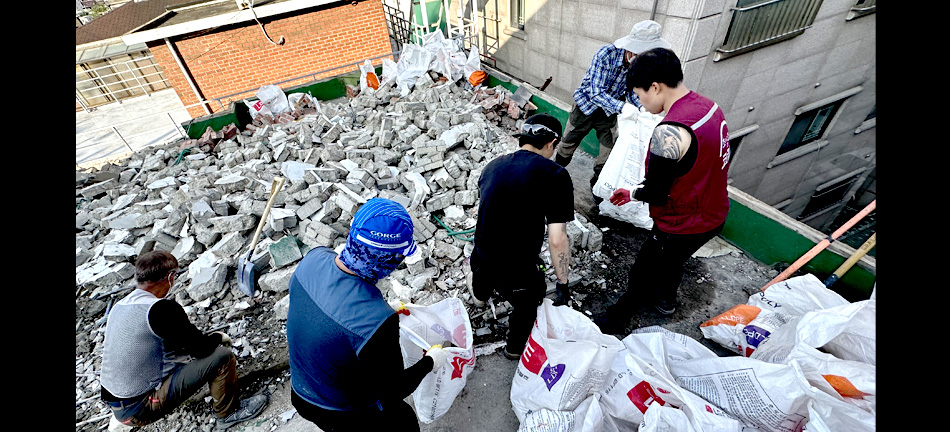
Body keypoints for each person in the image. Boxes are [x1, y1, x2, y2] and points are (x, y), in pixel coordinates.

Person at [596, 47, 731, 334]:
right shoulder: (709, 107)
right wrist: (634, 192)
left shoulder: (669, 132)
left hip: (682, 222)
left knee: (644, 271)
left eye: (640, 95)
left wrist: (634, 193)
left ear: (655, 87)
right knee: (674, 260)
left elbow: (657, 192)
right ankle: (665, 300)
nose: (641, 104)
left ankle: (616, 320)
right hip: (714, 212)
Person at [286, 198, 448, 432]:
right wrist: (430, 362)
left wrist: (381, 309)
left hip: (302, 392)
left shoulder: (313, 259)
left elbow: (327, 316)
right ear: (388, 261)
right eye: (399, 257)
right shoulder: (377, 322)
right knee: (403, 423)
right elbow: (393, 390)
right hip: (339, 411)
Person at [99, 250, 268, 430]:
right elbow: (202, 349)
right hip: (140, 409)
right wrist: (218, 337)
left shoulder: (120, 306)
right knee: (221, 356)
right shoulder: (159, 309)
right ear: (170, 277)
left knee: (184, 354)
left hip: (118, 404)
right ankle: (228, 413)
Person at [467, 113, 575, 360]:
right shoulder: (556, 175)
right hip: (516, 268)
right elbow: (557, 239)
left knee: (484, 272)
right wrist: (563, 282)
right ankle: (514, 350)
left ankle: (480, 296)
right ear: (552, 143)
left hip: (481, 256)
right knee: (530, 300)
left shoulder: (493, 166)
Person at [554, 20, 672, 200]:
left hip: (609, 114)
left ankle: (597, 190)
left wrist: (642, 107)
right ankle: (554, 174)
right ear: (632, 49)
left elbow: (631, 91)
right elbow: (595, 92)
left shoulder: (641, 66)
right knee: (568, 144)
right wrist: (623, 107)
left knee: (607, 153)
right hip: (586, 107)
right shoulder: (606, 55)